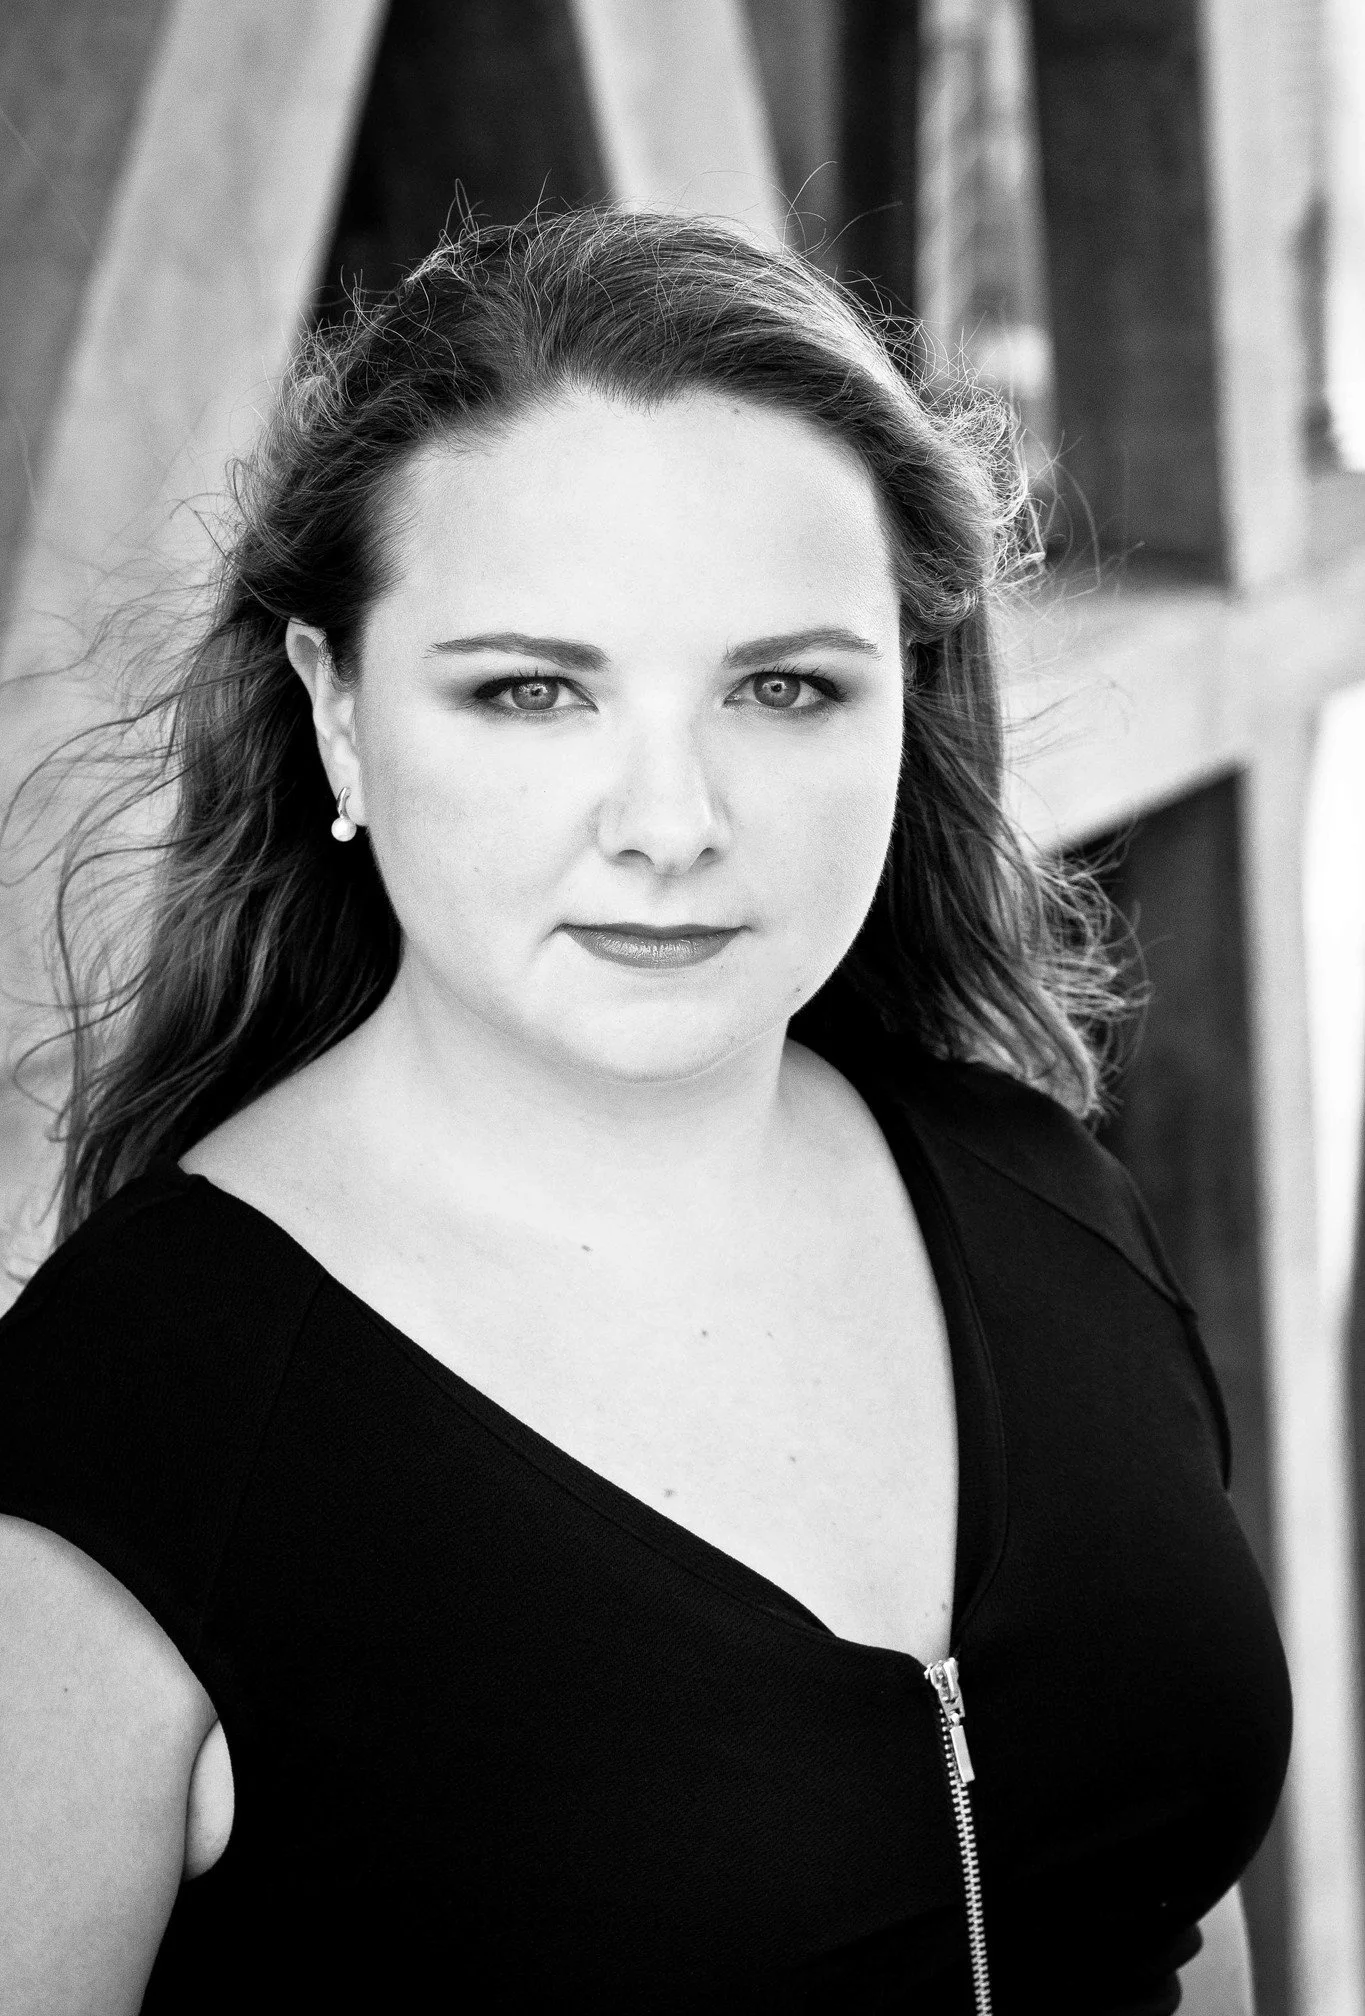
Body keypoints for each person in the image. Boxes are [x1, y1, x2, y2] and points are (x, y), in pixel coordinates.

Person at [0, 210, 1289, 2014]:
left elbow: (1174, 1915)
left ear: (905, 704)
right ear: (339, 714)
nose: (671, 823)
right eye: (533, 691)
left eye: (784, 687)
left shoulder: (1042, 1188)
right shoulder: (122, 1445)